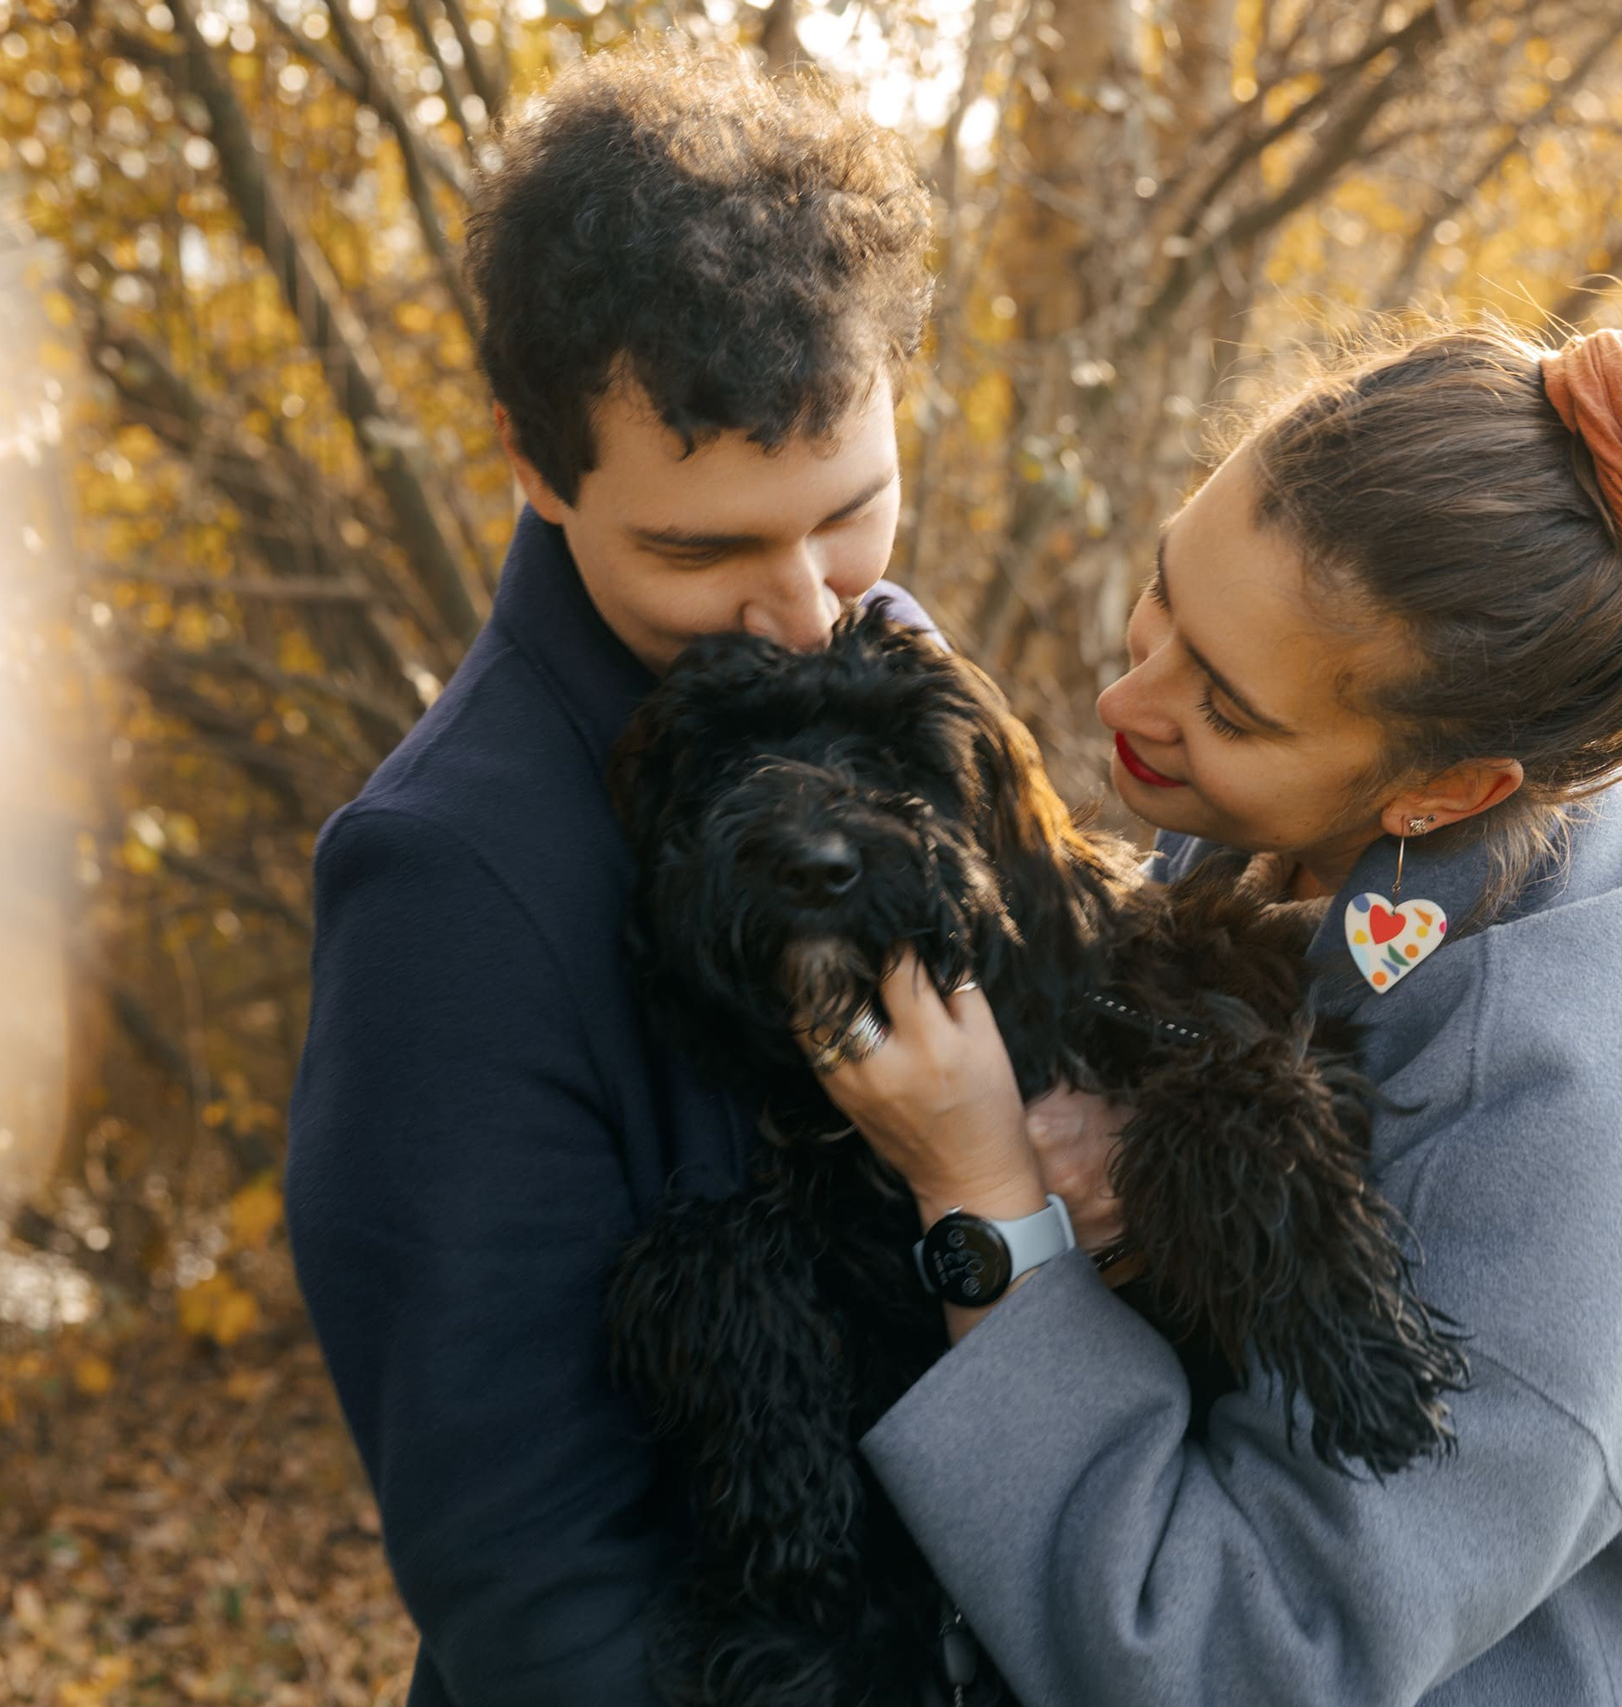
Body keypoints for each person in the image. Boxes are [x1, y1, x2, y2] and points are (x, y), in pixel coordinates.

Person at [813, 300, 1622, 1703]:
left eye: (1229, 710)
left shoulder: (1581, 1114)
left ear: (1449, 790)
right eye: (1166, 590)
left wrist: (984, 1200)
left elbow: (1230, 1661)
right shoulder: (1300, 834)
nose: (1128, 700)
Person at [283, 40, 940, 1705]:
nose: (802, 609)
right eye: (701, 549)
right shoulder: (442, 884)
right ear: (530, 460)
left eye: (849, 512)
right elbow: (534, 1581)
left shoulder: (889, 660)